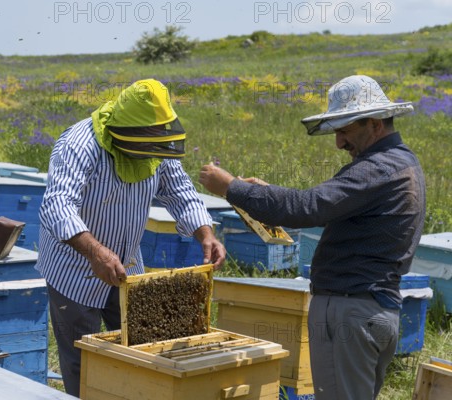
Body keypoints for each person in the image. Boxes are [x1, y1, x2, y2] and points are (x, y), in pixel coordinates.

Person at [198, 75, 426, 400]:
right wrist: (265, 194)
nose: (339, 143)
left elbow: (307, 207)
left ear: (374, 124)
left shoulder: (376, 169)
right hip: (374, 309)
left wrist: (231, 188)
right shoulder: (403, 162)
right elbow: (335, 209)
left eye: (344, 130)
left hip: (351, 310)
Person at [36, 78, 226, 397]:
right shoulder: (80, 145)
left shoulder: (156, 142)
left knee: (138, 351)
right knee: (82, 363)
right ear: (126, 131)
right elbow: (57, 204)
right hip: (74, 269)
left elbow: (179, 191)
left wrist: (205, 233)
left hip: (128, 266)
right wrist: (95, 252)